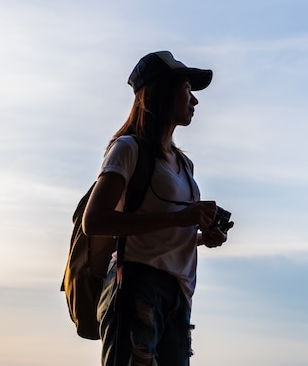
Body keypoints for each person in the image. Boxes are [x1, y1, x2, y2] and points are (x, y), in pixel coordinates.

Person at [82, 51, 233, 366]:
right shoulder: (128, 148)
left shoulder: (184, 163)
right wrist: (180, 217)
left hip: (178, 296)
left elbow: (165, 236)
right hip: (138, 288)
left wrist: (204, 237)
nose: (194, 101)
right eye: (187, 90)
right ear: (162, 92)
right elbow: (94, 221)